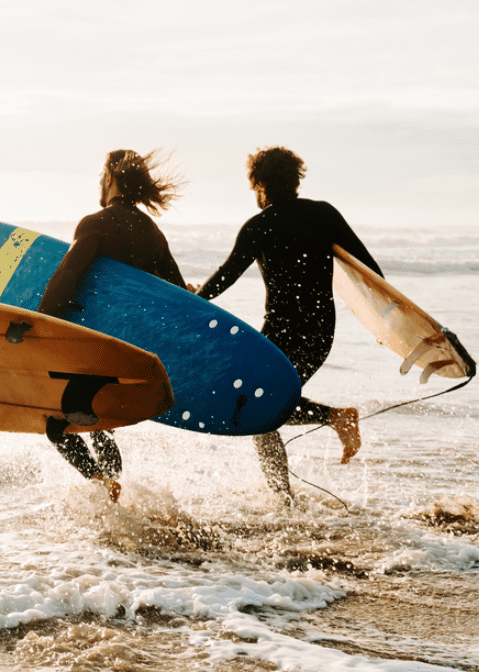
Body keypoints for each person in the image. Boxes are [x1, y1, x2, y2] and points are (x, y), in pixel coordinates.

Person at [194, 146, 383, 499]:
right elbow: (370, 271)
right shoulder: (324, 214)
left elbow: (226, 276)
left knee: (255, 407)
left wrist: (195, 300)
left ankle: (323, 435)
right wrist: (387, 325)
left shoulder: (258, 226)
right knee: (258, 407)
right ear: (295, 180)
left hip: (280, 333)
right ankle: (286, 491)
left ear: (260, 184)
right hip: (320, 331)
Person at [36, 149, 187, 502]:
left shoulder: (97, 223)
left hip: (93, 344)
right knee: (102, 427)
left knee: (56, 424)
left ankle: (101, 482)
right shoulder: (153, 233)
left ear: (111, 178)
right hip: (130, 349)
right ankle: (114, 496)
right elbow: (179, 294)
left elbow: (66, 276)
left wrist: (41, 324)